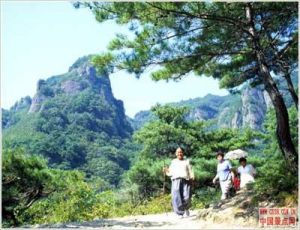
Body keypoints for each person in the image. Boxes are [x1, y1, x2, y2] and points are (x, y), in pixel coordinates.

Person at [163, 147, 194, 218]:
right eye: (178, 152)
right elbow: (170, 172)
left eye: (181, 152)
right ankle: (180, 213)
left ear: (183, 153)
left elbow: (190, 170)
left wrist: (192, 177)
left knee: (187, 196)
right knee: (177, 197)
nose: (180, 153)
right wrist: (166, 171)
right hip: (176, 180)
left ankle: (186, 208)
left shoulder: (186, 161)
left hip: (186, 180)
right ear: (176, 153)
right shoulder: (173, 162)